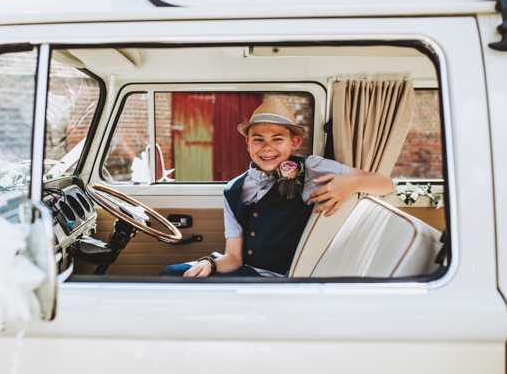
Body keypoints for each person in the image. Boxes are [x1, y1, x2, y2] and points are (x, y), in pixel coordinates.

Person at [160, 98, 394, 278]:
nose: (267, 147)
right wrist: (209, 263)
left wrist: (351, 183)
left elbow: (386, 183)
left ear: (294, 143)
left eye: (277, 139)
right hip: (244, 270)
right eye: (258, 139)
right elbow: (233, 258)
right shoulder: (233, 190)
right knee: (172, 273)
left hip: (277, 278)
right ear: (248, 143)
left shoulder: (311, 168)